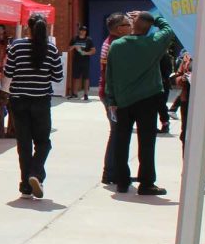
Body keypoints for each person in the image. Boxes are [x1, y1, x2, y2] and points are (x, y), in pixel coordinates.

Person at [104, 11, 175, 196]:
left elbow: (109, 75)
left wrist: (112, 99)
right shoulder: (153, 43)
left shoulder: (117, 46)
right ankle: (146, 183)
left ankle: (121, 181)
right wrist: (154, 17)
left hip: (123, 101)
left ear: (133, 26)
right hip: (148, 99)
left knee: (121, 141)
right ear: (149, 26)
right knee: (147, 143)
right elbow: (168, 28)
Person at [3, 13, 63, 199]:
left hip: (19, 99)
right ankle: (35, 174)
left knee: (24, 144)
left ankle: (26, 185)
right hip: (40, 100)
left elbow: (8, 71)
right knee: (43, 142)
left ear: (28, 27)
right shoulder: (51, 49)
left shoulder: (16, 46)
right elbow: (58, 76)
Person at [98, 13, 133, 186]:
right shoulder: (115, 45)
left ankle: (113, 170)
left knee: (117, 133)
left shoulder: (110, 42)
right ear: (120, 29)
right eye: (128, 24)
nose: (131, 26)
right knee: (117, 133)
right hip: (113, 96)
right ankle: (110, 172)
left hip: (109, 94)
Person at [0, 24, 13, 137]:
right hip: (13, 89)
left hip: (5, 88)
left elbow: (5, 73)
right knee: (12, 111)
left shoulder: (7, 60)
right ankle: (12, 132)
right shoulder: (16, 59)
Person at [69, 25, 96, 100]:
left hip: (85, 61)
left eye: (84, 30)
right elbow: (69, 49)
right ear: (79, 31)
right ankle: (75, 93)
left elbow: (93, 51)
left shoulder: (88, 40)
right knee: (76, 77)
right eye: (81, 30)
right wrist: (74, 46)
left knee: (86, 78)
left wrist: (85, 53)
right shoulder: (74, 39)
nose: (82, 32)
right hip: (76, 61)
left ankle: (86, 94)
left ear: (85, 32)